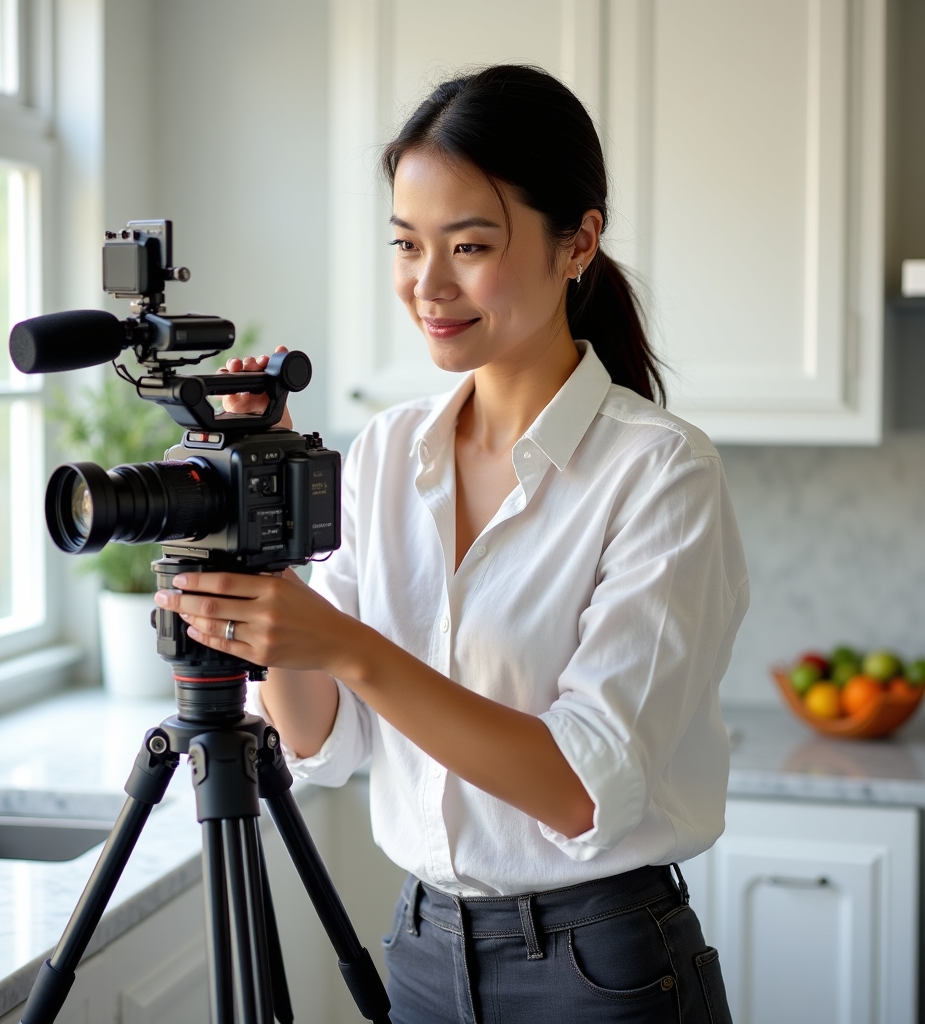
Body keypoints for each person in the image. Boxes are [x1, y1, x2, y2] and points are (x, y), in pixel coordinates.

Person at [154, 64, 748, 1024]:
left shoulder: (660, 472)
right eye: (405, 244)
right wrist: (258, 542)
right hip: (423, 952)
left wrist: (346, 644)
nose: (428, 285)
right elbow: (319, 739)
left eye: (470, 245)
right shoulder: (389, 450)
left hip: (599, 970)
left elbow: (576, 790)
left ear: (578, 243)